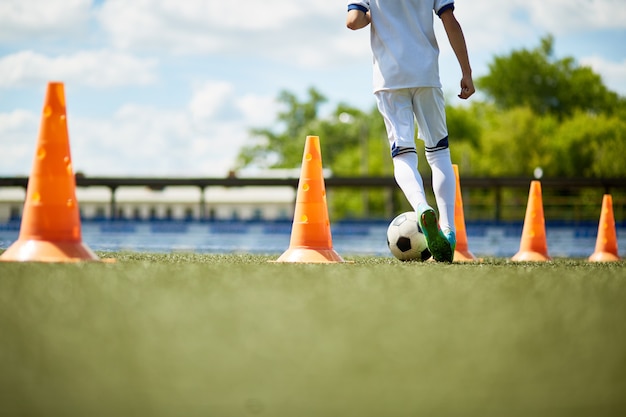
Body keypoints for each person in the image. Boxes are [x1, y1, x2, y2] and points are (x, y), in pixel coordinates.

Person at [346, 0, 475, 262]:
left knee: (403, 155)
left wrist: (376, 16)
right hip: (426, 75)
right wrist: (467, 72)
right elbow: (449, 20)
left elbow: (353, 21)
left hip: (390, 78)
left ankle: (421, 206)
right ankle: (448, 230)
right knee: (439, 153)